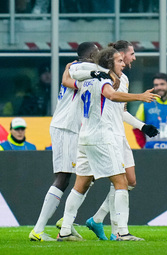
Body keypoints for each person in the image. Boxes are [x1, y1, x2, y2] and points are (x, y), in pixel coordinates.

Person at [57, 47, 159, 241]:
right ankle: (121, 232)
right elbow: (111, 95)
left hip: (85, 138)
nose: (123, 63)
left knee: (80, 185)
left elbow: (70, 78)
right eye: (119, 60)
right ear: (109, 63)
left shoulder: (86, 79)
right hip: (101, 138)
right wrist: (140, 97)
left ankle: (65, 231)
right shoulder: (103, 79)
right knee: (122, 183)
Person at [29, 42, 102, 242]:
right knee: (63, 177)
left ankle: (66, 221)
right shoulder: (80, 68)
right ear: (90, 55)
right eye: (97, 53)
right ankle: (38, 229)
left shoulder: (76, 68)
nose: (99, 56)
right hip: (65, 128)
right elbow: (75, 79)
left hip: (75, 129)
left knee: (89, 175)